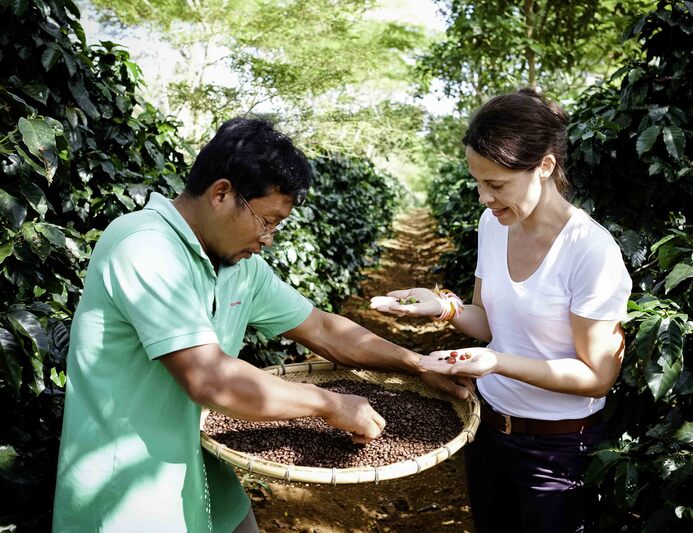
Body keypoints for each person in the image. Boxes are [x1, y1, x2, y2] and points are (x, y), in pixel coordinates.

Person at [52, 117, 468, 533]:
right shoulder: (144, 246)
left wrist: (415, 364)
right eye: (267, 221)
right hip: (128, 494)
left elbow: (323, 330)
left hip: (204, 474)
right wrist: (329, 404)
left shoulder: (239, 266)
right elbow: (210, 380)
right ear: (221, 193)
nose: (268, 238)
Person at [371, 89, 632, 532]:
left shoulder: (591, 252)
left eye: (495, 184)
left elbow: (598, 375)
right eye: (478, 182)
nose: (483, 198)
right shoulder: (494, 224)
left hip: (558, 450)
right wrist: (444, 308)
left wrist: (496, 362)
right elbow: (488, 319)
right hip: (487, 428)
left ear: (544, 167)